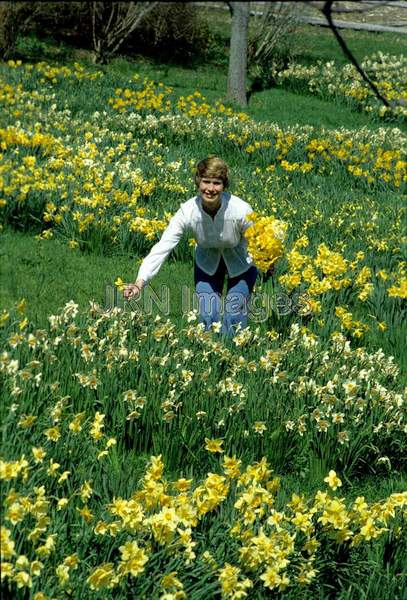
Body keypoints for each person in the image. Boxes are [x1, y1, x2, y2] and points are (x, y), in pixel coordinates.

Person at [123, 156, 258, 336]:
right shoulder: (188, 211)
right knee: (208, 313)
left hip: (240, 262)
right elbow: (163, 247)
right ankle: (211, 356)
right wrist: (140, 282)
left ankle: (236, 356)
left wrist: (269, 265)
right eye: (206, 182)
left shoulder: (240, 210)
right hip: (207, 263)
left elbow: (259, 242)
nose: (210, 189)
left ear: (224, 185)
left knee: (234, 314)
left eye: (216, 183)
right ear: (198, 182)